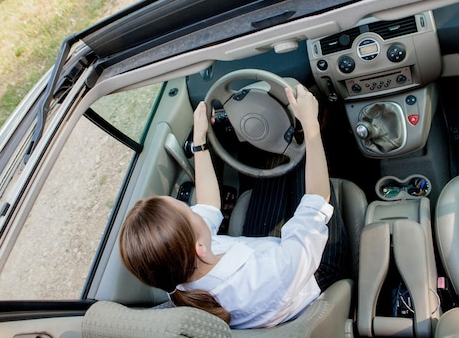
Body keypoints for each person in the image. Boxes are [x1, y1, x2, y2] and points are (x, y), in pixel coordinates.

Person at [118, 84, 349, 329]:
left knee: (277, 158)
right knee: (301, 150)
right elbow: (316, 201)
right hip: (308, 274)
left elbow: (208, 205)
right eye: (188, 211)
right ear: (199, 248)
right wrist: (311, 124)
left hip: (263, 256)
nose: (195, 209)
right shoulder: (265, 276)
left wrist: (199, 141)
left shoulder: (179, 269)